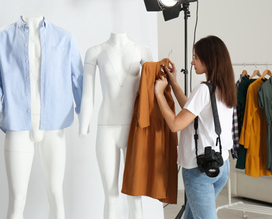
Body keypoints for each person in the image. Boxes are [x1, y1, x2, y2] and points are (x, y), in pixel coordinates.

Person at [0, 12, 83, 219]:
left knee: (56, 195)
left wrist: (83, 112)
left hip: (54, 126)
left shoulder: (64, 38)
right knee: (17, 199)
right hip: (17, 124)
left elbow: (77, 77)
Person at [154, 35, 237, 219]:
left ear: (209, 59)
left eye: (196, 57)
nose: (192, 62)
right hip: (220, 165)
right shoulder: (224, 87)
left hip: (199, 170)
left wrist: (159, 94)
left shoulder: (203, 89)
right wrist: (173, 82)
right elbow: (192, 112)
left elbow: (176, 124)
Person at [79, 32, 152, 219]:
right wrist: (83, 125)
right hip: (106, 128)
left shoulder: (143, 52)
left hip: (134, 130)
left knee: (135, 196)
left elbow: (151, 92)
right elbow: (87, 94)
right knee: (110, 196)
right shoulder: (95, 52)